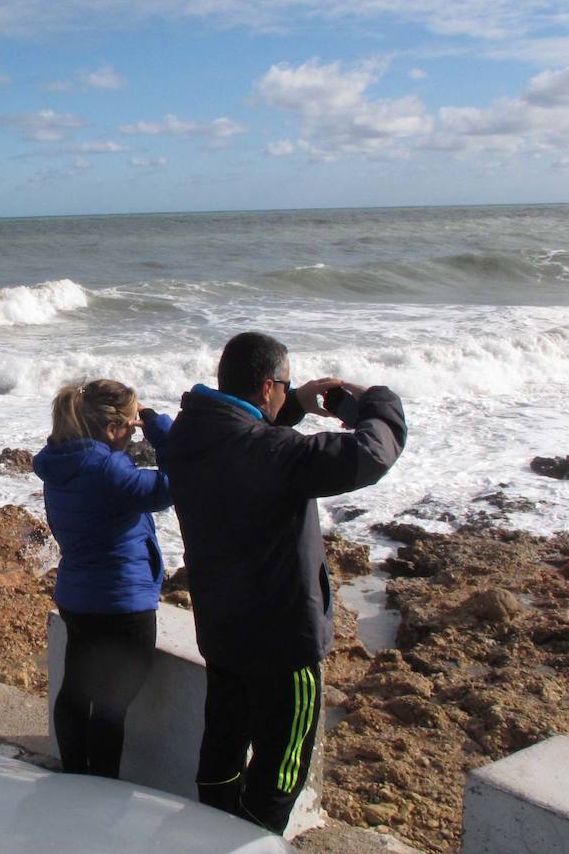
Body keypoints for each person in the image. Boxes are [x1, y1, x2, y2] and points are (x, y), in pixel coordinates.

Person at [166, 331, 407, 833]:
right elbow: (371, 454)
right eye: (285, 386)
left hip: (222, 629)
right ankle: (253, 840)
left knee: (223, 746)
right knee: (281, 767)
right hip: (282, 644)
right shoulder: (276, 453)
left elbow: (244, 440)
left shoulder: (190, 433)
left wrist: (293, 402)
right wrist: (377, 400)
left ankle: (208, 831)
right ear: (266, 388)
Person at [33, 379, 173, 779]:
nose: (134, 434)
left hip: (78, 597)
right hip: (122, 603)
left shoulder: (60, 462)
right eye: (131, 426)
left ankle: (74, 776)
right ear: (112, 429)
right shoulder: (109, 469)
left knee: (76, 693)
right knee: (112, 705)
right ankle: (101, 788)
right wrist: (161, 431)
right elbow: (173, 485)